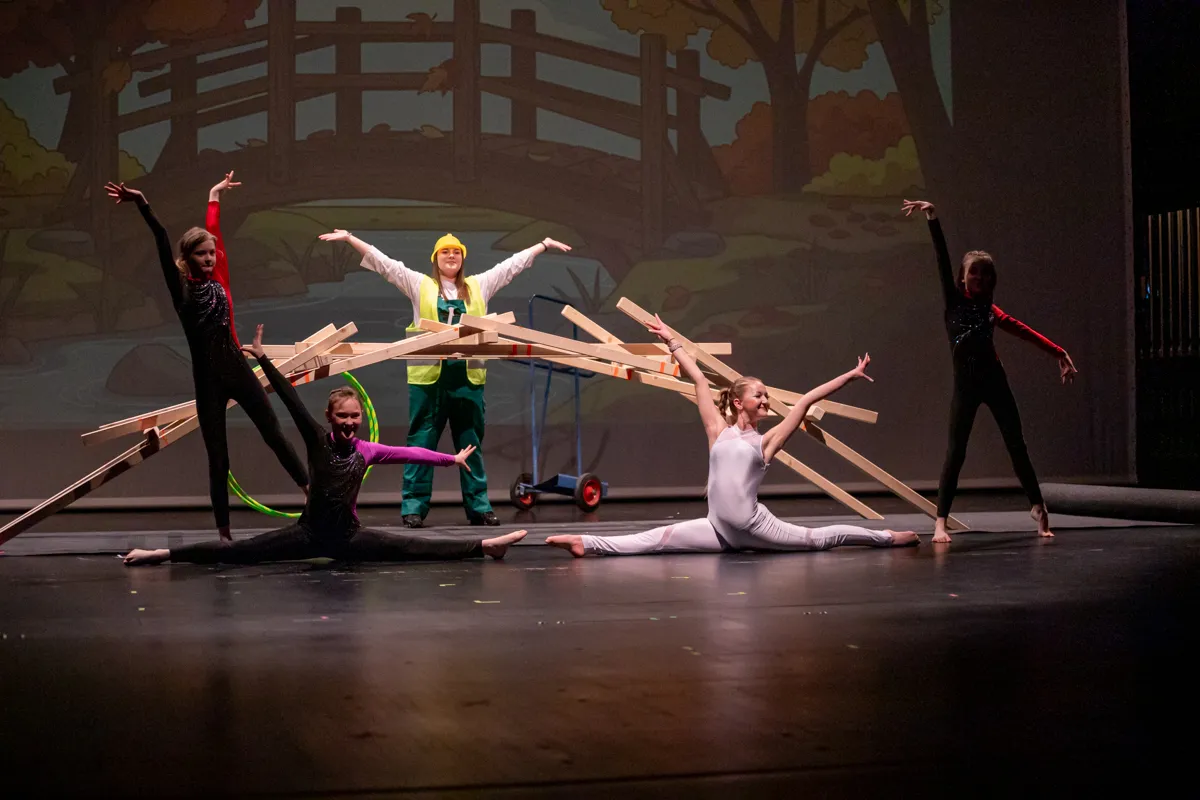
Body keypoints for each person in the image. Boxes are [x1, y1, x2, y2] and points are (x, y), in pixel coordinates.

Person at [123, 325, 527, 566]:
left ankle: (486, 546)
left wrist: (452, 458)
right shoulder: (317, 440)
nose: (351, 422)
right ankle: (160, 554)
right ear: (331, 418)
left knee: (413, 547)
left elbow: (411, 454)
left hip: (350, 537)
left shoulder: (367, 450)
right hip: (308, 535)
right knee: (239, 553)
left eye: (356, 417)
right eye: (343, 417)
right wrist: (263, 360)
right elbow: (288, 399)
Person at [546, 316, 918, 557]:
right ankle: (586, 542)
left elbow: (804, 402)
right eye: (760, 395)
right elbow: (697, 380)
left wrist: (849, 377)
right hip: (718, 529)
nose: (766, 400)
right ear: (739, 401)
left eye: (767, 396)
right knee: (656, 538)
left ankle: (886, 538)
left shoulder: (765, 443)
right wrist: (672, 339)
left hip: (757, 527)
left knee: (818, 539)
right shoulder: (717, 433)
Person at [318, 228, 571, 528]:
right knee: (420, 444)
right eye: (444, 252)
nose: (451, 256)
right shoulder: (419, 285)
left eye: (456, 252)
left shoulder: (479, 286)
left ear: (462, 258)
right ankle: (413, 506)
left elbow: (511, 267)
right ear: (435, 259)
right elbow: (385, 264)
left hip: (467, 382)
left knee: (471, 444)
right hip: (429, 381)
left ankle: (479, 507)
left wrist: (542, 244)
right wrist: (349, 239)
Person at [106, 174, 308, 541]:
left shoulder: (221, 279)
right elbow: (161, 237)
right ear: (187, 258)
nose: (210, 258)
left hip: (236, 368)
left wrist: (214, 196)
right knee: (218, 458)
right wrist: (142, 203)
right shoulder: (181, 292)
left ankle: (311, 495)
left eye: (212, 253)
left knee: (274, 434)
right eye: (201, 254)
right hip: (208, 380)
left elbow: (214, 230)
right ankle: (224, 535)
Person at [901, 199, 1078, 544]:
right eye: (973, 272)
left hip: (995, 382)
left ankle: (1039, 512)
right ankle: (940, 523)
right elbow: (941, 259)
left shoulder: (990, 310)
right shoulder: (954, 301)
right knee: (956, 451)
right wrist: (933, 218)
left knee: (1017, 446)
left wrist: (1059, 352)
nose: (979, 278)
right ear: (963, 277)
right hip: (966, 387)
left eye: (985, 274)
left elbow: (1025, 331)